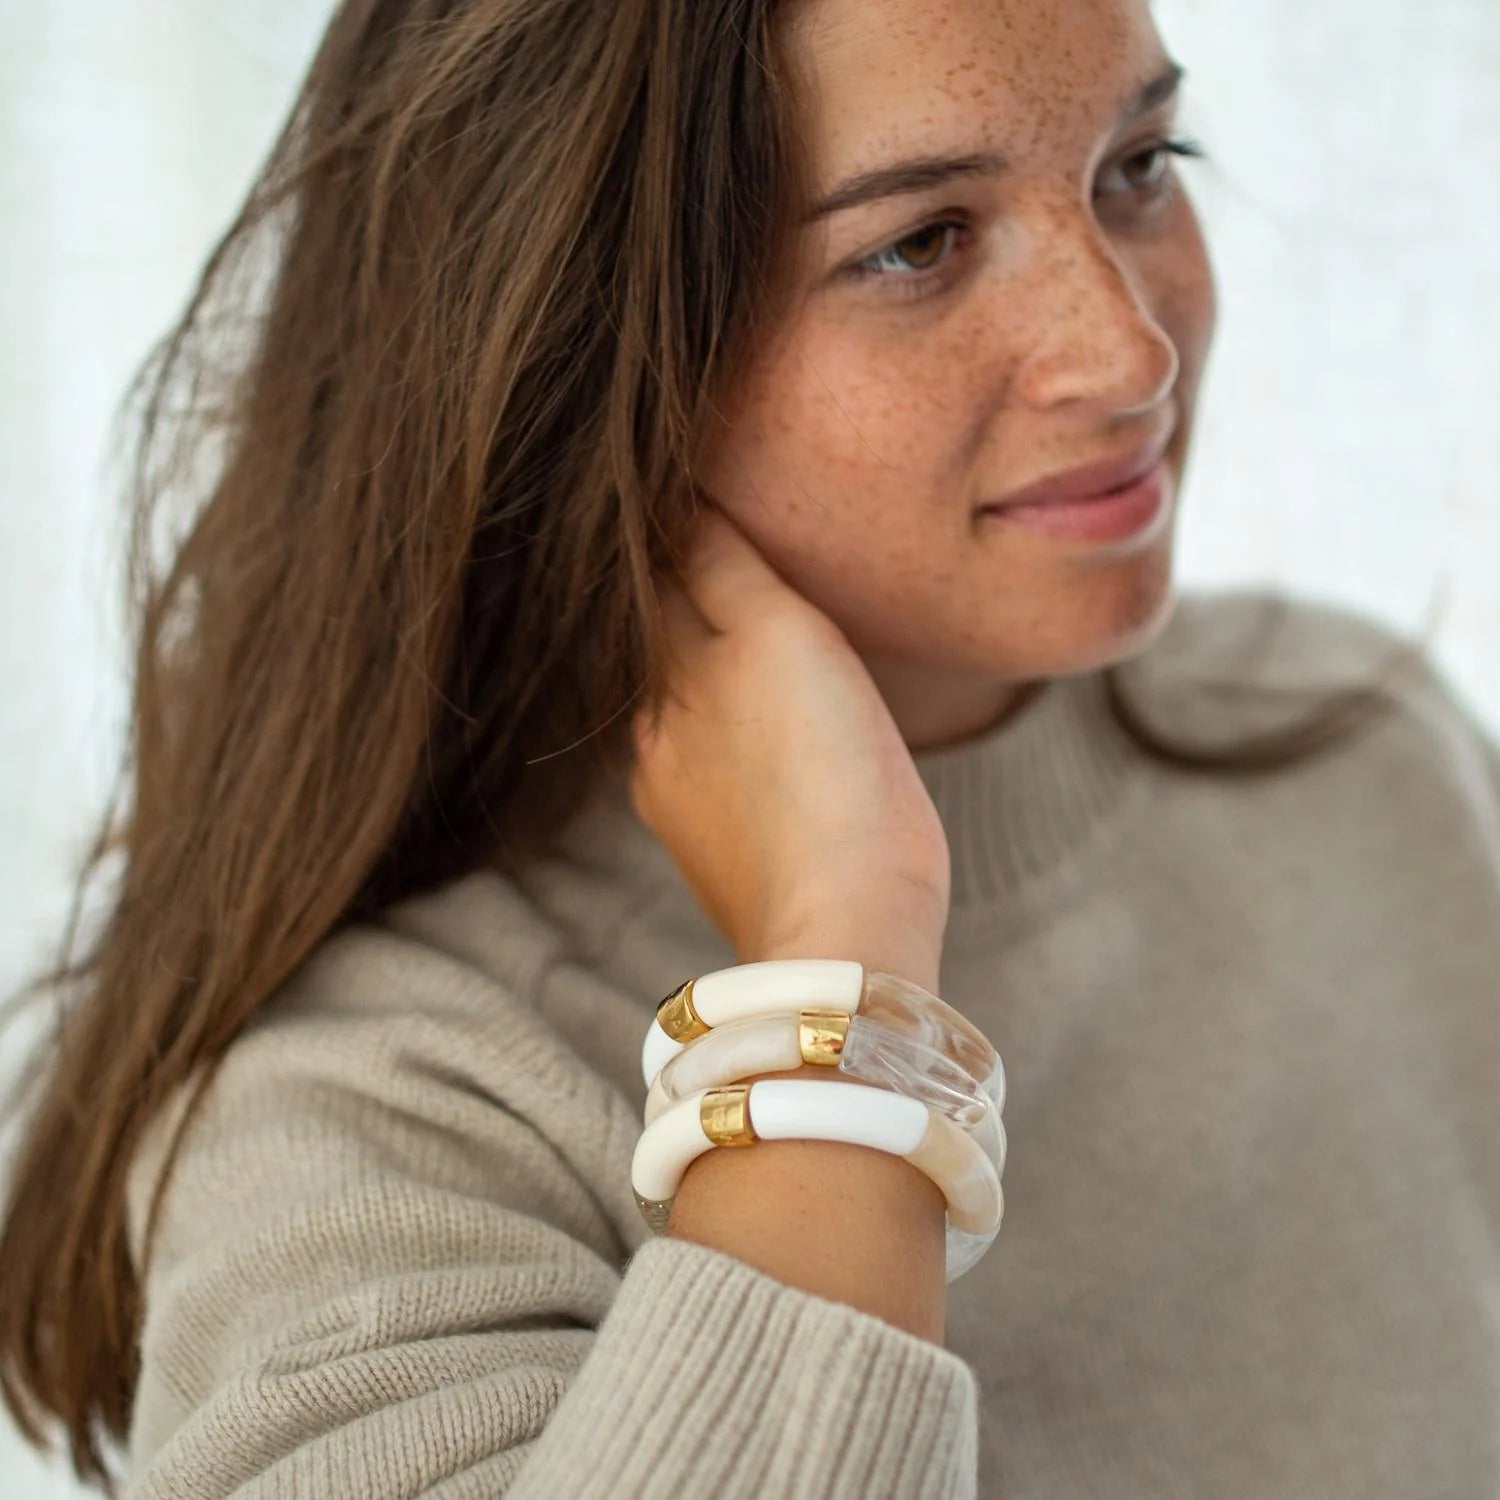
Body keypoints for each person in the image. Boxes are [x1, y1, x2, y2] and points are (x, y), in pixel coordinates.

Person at [2, 0, 1496, 1494]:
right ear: (573, 354)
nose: (1129, 354)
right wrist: (843, 954)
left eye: (1140, 162)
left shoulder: (1370, 758)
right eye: (919, 244)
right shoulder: (376, 1117)